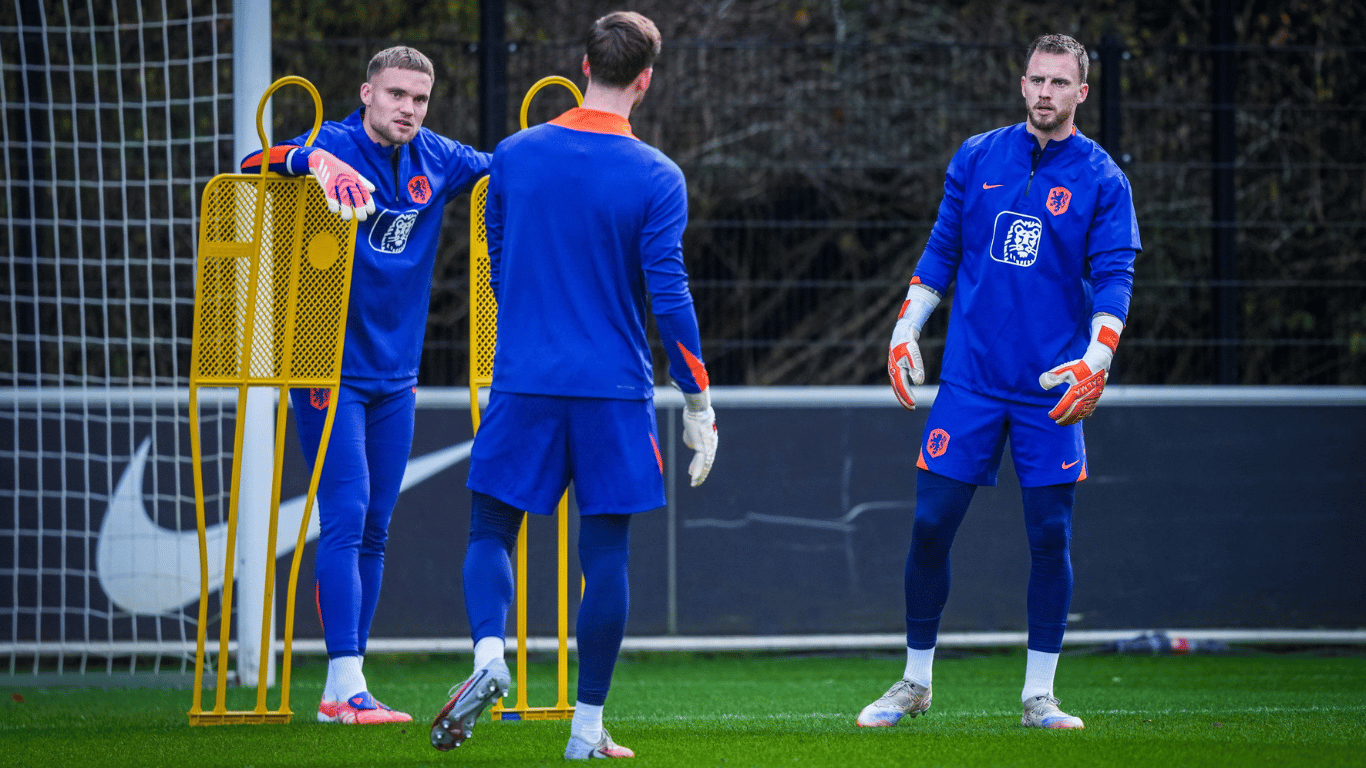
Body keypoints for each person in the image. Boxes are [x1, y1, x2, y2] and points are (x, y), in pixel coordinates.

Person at [427, 11, 717, 760]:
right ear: (645, 79)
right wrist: (697, 399)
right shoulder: (658, 175)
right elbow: (671, 297)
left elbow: (496, 262)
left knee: (491, 529)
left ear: (584, 65)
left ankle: (490, 656)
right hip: (613, 390)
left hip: (524, 378)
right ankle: (586, 729)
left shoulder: (514, 154)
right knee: (606, 554)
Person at [857, 34, 1140, 731]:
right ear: (1022, 85)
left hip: (1052, 386)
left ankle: (1039, 697)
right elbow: (942, 247)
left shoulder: (1103, 178)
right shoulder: (978, 155)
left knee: (1050, 536)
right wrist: (905, 327)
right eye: (1036, 79)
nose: (1045, 92)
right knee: (930, 525)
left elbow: (1115, 277)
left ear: (1081, 92)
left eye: (1059, 82)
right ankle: (914, 682)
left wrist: (1098, 358)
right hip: (971, 380)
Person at [241, 46, 491, 724]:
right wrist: (309, 161)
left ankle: (342, 689)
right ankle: (346, 686)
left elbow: (507, 169)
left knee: (376, 526)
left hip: (396, 373)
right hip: (326, 368)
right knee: (346, 516)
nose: (408, 108)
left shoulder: (437, 158)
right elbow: (250, 164)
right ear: (367, 93)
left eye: (420, 98)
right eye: (396, 94)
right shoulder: (332, 142)